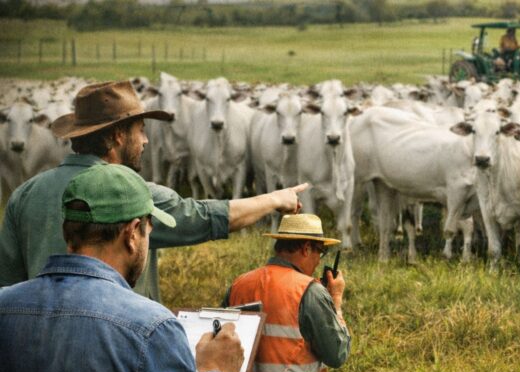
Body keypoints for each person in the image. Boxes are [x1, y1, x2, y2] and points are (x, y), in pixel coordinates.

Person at [0, 164, 247, 372]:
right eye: (148, 231)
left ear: (68, 233)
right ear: (131, 234)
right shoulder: (151, 328)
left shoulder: (5, 305)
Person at [0, 80, 308, 302]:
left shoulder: (24, 195)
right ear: (119, 136)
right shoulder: (134, 196)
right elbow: (204, 217)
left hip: (39, 356)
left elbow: (7, 285)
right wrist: (275, 198)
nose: (146, 141)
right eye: (141, 130)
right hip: (119, 348)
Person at [226, 214, 350, 372]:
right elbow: (337, 354)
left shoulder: (239, 284)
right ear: (305, 248)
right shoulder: (309, 291)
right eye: (319, 253)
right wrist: (336, 301)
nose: (317, 261)